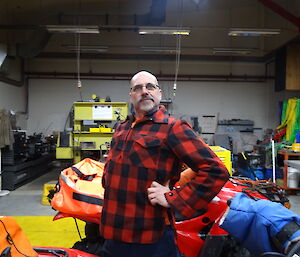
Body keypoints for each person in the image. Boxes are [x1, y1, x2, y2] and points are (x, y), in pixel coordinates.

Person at [100, 71, 229, 257]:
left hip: (150, 237)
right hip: (114, 233)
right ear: (131, 96)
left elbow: (215, 171)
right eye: (138, 88)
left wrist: (173, 197)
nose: (144, 91)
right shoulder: (121, 128)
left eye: (150, 87)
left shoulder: (172, 128)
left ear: (159, 94)